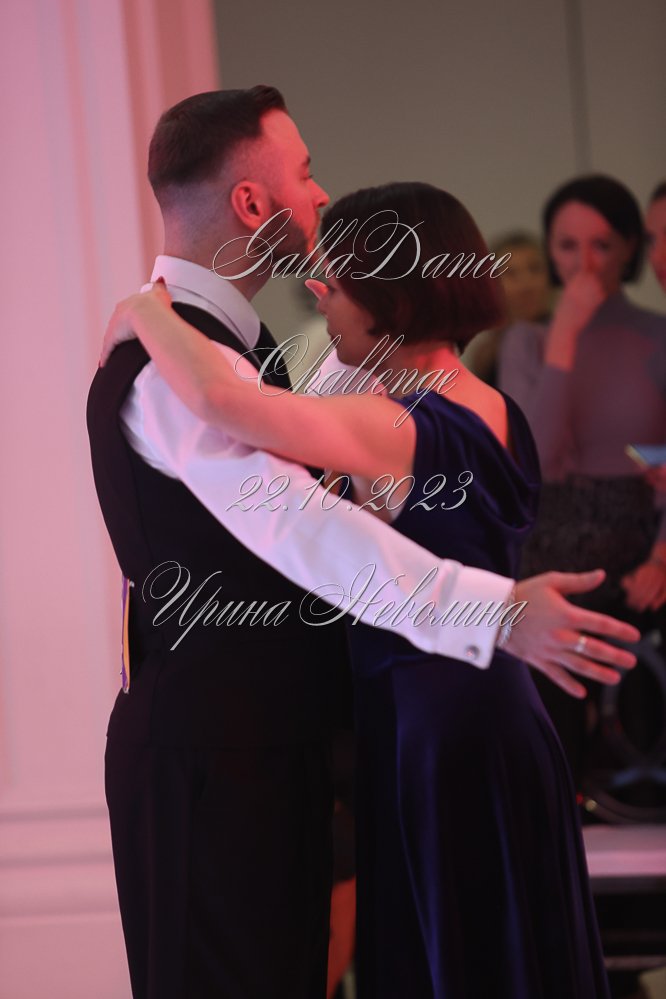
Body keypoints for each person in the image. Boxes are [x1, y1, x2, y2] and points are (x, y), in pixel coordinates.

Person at [101, 179, 630, 998]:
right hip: (493, 710)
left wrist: (146, 312)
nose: (319, 294)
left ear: (390, 297)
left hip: (435, 726)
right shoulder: (486, 405)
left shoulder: (395, 425)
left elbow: (221, 402)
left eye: (337, 282)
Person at [499, 174, 666, 800]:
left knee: (639, 732)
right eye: (567, 246)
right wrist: (563, 341)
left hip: (637, 546)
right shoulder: (527, 341)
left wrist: (662, 554)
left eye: (601, 245)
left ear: (629, 249)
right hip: (549, 545)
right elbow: (534, 459)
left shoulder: (657, 336)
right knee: (552, 745)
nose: (584, 264)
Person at [462, 231, 552, 386]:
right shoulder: (486, 355)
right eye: (511, 273)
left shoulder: (571, 338)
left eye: (534, 269)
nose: (526, 284)